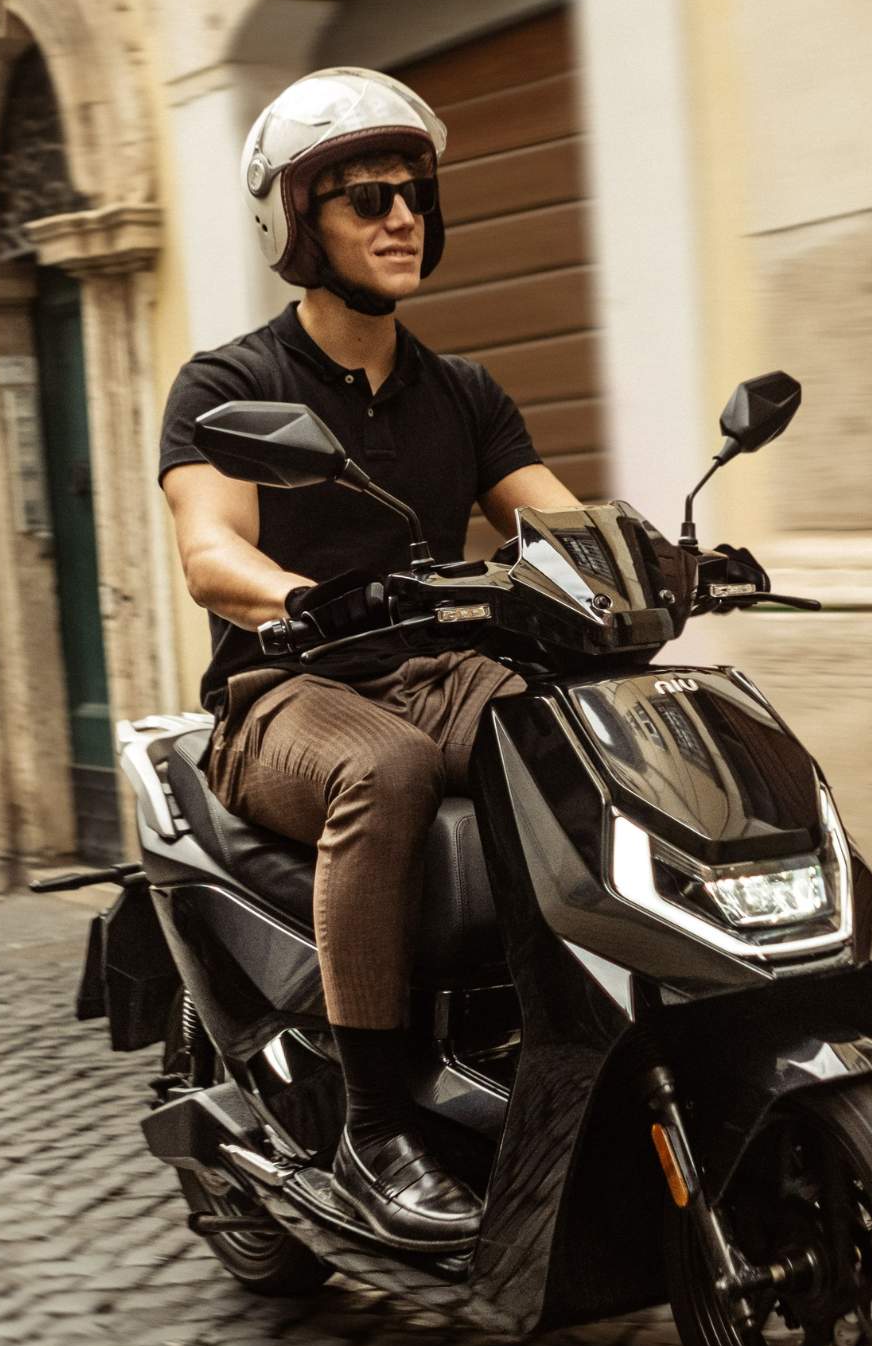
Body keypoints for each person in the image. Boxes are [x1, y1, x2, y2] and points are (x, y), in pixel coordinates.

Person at [156, 68, 580, 1256]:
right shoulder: (230, 385)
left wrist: (647, 558)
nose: (402, 217)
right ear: (299, 226)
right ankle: (372, 1120)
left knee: (587, 734)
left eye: (413, 195)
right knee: (383, 771)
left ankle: (569, 1034)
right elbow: (208, 548)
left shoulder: (463, 393)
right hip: (286, 692)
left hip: (439, 670)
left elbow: (555, 520)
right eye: (365, 199)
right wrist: (295, 595)